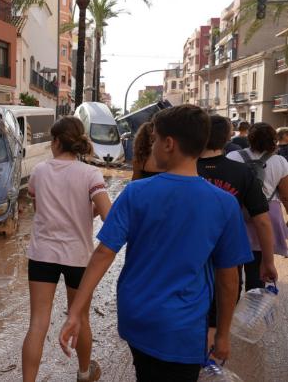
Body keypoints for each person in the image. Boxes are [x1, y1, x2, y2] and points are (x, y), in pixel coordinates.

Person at [59, 105, 251, 382]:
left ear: (169, 144)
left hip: (137, 319)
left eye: (156, 140)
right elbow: (228, 279)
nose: (153, 147)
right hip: (183, 328)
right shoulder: (224, 203)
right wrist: (222, 334)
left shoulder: (136, 192)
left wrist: (75, 312)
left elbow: (103, 254)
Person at [22, 116, 112, 382]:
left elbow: (41, 212)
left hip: (42, 255)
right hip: (78, 257)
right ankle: (84, 373)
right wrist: (87, 212)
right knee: (81, 316)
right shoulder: (90, 174)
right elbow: (109, 216)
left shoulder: (39, 171)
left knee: (38, 322)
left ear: (57, 141)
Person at [197, 115, 277, 344]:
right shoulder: (242, 173)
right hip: (226, 253)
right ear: (227, 138)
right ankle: (210, 361)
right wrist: (268, 261)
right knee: (220, 310)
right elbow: (262, 221)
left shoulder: (185, 168)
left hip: (189, 253)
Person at [227, 122, 288, 290]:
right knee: (258, 269)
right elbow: (285, 194)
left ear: (249, 138)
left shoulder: (234, 157)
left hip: (238, 215)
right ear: (274, 140)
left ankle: (232, 304)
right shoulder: (280, 161)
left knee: (233, 267)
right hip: (266, 216)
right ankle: (252, 310)